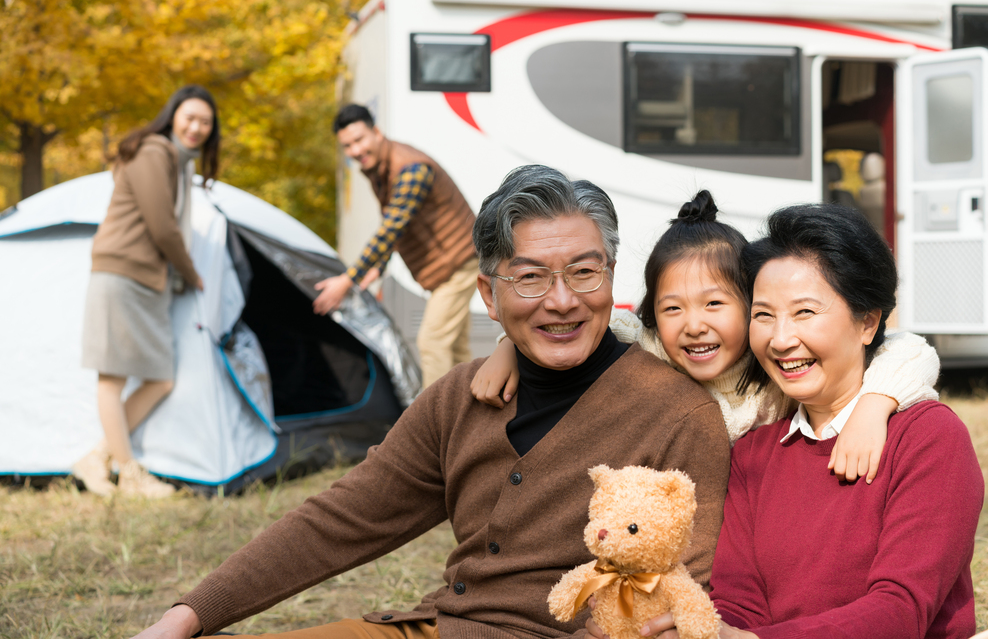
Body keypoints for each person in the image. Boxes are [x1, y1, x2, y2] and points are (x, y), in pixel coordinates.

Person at [131, 164, 731, 639]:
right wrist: (189, 614)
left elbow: (672, 597)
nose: (562, 300)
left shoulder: (677, 414)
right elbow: (343, 519)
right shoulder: (459, 399)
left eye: (584, 272)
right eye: (529, 278)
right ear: (488, 296)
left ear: (611, 275)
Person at [624, 204, 984, 639]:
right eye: (763, 315)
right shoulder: (752, 451)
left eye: (805, 313)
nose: (780, 339)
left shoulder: (928, 437)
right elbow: (737, 601)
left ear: (867, 322)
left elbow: (902, 611)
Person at [473, 190, 939, 482]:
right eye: (672, 308)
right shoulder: (652, 350)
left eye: (715, 304)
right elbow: (569, 325)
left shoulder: (772, 364)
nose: (693, 325)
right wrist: (509, 347)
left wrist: (874, 407)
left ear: (750, 304)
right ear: (652, 315)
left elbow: (907, 348)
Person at [73, 85, 218, 499]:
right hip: (121, 274)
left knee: (160, 378)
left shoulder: (178, 162)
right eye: (189, 117)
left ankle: (98, 456)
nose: (196, 127)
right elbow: (162, 226)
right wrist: (192, 274)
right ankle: (129, 471)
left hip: (147, 281)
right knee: (112, 378)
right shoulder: (155, 151)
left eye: (205, 122)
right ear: (173, 115)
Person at [313, 104, 479, 388]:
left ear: (376, 133)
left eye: (359, 140)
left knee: (432, 341)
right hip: (448, 265)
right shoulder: (381, 169)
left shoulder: (409, 169)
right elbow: (398, 222)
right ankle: (475, 416)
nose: (355, 150)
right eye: (347, 146)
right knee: (456, 350)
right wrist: (379, 266)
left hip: (461, 261)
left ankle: (435, 426)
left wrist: (347, 280)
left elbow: (392, 227)